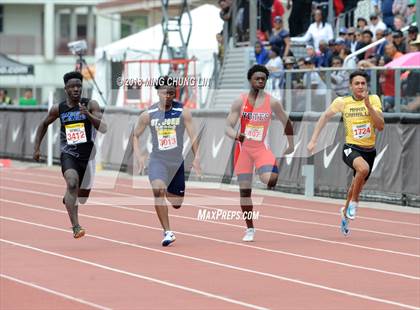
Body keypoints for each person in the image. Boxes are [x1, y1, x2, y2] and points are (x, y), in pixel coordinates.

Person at [307, 70, 384, 236]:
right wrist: (313, 140)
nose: (360, 86)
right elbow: (324, 117)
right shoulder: (342, 102)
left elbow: (380, 126)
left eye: (363, 83)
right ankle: (354, 203)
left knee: (356, 185)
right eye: (357, 83)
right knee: (362, 170)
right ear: (350, 86)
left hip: (369, 150)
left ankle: (345, 213)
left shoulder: (374, 99)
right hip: (351, 148)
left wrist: (369, 106)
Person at [33, 71, 107, 238]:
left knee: (82, 197)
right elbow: (43, 124)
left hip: (88, 157)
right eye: (72, 86)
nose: (76, 89)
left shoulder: (90, 104)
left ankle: (69, 198)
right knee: (72, 183)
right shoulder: (59, 108)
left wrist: (87, 115)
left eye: (79, 86)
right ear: (65, 88)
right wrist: (36, 148)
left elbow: (104, 128)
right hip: (69, 154)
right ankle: (76, 227)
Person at [225, 65, 294, 242]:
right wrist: (237, 135)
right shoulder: (240, 101)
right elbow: (227, 127)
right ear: (250, 80)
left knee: (270, 180)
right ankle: (250, 229)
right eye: (257, 78)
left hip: (261, 148)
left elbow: (287, 122)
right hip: (243, 151)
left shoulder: (272, 102)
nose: (261, 81)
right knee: (245, 193)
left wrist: (291, 144)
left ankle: (263, 170)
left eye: (263, 79)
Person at [132, 76, 201, 247]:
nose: (168, 96)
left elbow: (193, 136)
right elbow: (135, 135)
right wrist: (140, 156)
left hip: (176, 162)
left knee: (177, 203)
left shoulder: (183, 112)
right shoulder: (148, 114)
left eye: (172, 93)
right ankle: (167, 232)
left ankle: (168, 190)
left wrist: (197, 157)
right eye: (165, 93)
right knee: (158, 190)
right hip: (157, 160)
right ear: (158, 93)